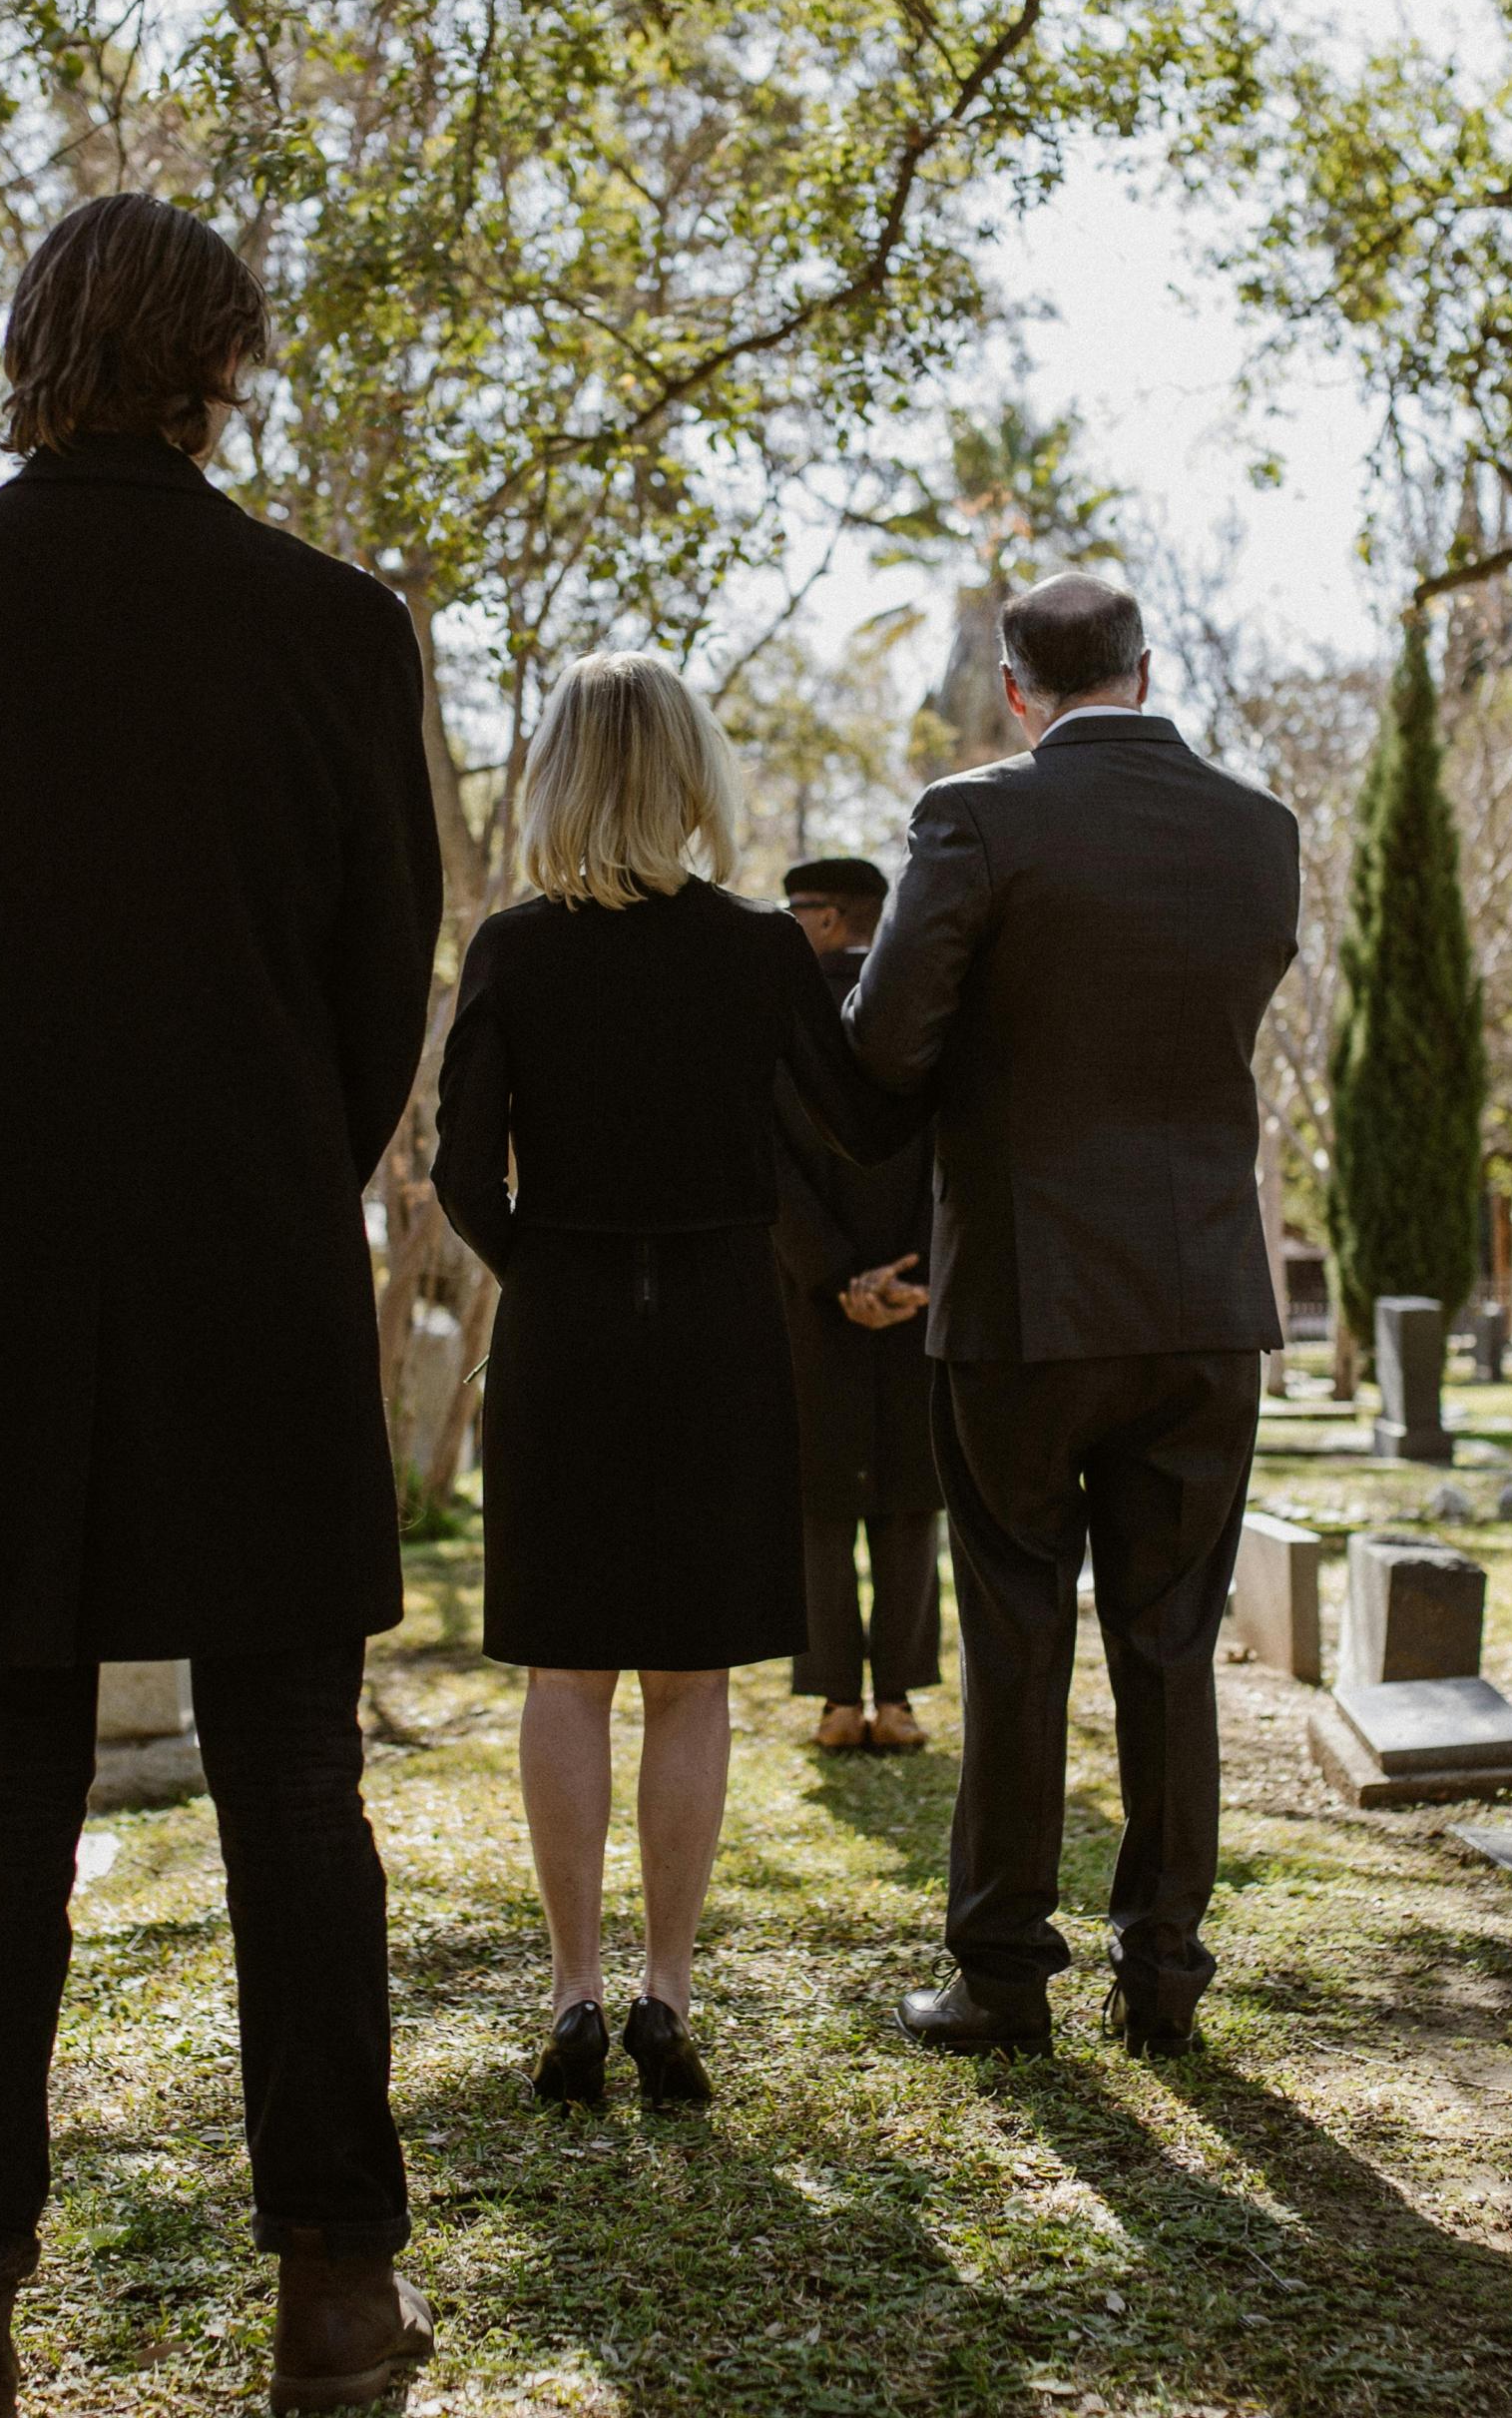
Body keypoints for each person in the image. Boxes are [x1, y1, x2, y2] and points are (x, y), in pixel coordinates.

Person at [0, 193, 441, 2418]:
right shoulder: (339, 633)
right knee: (293, 1787)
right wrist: (259, 1162)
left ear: (28, 348)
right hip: (249, 1264)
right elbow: (380, 998)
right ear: (222, 362)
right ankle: (338, 2288)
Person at [433, 654, 915, 2111]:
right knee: (689, 1680)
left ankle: (573, 1994)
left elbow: (462, 1172)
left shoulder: (513, 951)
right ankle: (667, 1996)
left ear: (559, 777)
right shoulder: (764, 953)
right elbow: (856, 1123)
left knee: (569, 1675)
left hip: (568, 1313)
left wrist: (551, 1272)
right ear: (694, 775)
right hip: (719, 1314)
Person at [845, 571, 1301, 2062]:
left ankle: (1000, 1976)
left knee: (1019, 1632)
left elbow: (889, 1043)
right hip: (1204, 1295)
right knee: (1172, 1645)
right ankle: (1163, 1975)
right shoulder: (1257, 831)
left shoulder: (975, 815)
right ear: (1147, 670)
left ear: (1014, 689)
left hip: (1030, 1295)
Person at [772, 855, 944, 1752]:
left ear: (834, 917)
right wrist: (911, 1273)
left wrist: (837, 1275)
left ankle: (836, 1701)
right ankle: (900, 1702)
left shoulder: (775, 1021)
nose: (785, 921)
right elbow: (951, 1151)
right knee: (911, 1502)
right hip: (917, 1292)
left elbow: (770, 1169)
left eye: (794, 908)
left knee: (821, 1503)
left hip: (812, 1297)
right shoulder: (925, 1017)